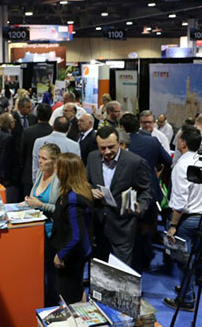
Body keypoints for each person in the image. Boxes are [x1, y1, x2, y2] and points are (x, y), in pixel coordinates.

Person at [86, 126, 153, 267]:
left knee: (121, 270)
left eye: (111, 147)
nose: (107, 152)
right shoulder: (92, 157)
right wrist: (90, 190)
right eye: (102, 148)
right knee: (99, 266)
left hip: (123, 224)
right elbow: (87, 182)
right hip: (98, 223)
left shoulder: (134, 162)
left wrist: (140, 206)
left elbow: (146, 190)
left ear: (119, 143)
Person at [163, 126, 202, 312]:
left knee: (183, 261)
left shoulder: (181, 165)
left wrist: (173, 226)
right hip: (200, 217)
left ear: (182, 143)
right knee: (191, 259)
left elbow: (180, 202)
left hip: (186, 219)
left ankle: (187, 298)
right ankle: (187, 290)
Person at [120, 113, 172, 270]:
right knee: (146, 228)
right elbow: (168, 161)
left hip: (124, 191)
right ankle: (145, 257)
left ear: (122, 127)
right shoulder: (152, 141)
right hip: (148, 192)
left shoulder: (119, 143)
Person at [49, 153, 93, 304]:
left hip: (71, 257)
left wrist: (61, 255)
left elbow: (76, 235)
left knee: (70, 296)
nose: (54, 169)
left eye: (57, 166)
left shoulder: (74, 200)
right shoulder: (67, 194)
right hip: (69, 253)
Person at [24, 143, 61, 305]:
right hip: (36, 232)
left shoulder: (59, 181)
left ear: (54, 161)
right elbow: (34, 198)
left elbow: (60, 210)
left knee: (51, 276)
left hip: (52, 233)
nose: (39, 161)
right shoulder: (40, 173)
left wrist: (40, 205)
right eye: (39, 157)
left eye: (44, 159)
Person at [32, 116, 81, 183]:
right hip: (65, 185)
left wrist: (35, 183)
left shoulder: (38, 141)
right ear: (68, 129)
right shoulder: (74, 146)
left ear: (53, 126)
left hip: (42, 183)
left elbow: (35, 166)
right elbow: (75, 170)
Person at [0, 113, 21, 203]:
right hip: (7, 179)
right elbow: (7, 160)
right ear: (9, 124)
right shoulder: (9, 138)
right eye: (13, 121)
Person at [20, 103, 53, 197]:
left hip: (29, 174)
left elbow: (22, 154)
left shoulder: (28, 132)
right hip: (50, 175)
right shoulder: (53, 132)